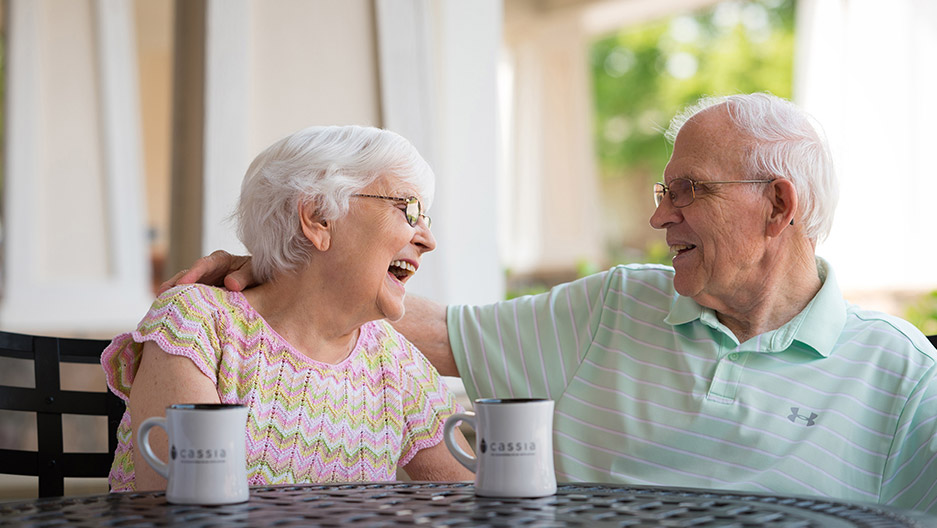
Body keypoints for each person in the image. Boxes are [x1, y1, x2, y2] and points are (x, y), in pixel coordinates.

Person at [167, 93, 937, 513]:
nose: (658, 215)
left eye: (686, 192)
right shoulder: (613, 307)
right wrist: (290, 265)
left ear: (777, 204)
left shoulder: (902, 376)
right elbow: (426, 334)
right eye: (660, 192)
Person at [103, 125, 473, 492]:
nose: (428, 239)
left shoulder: (395, 361)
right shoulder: (196, 323)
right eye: (408, 209)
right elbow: (187, 507)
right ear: (317, 217)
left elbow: (472, 502)